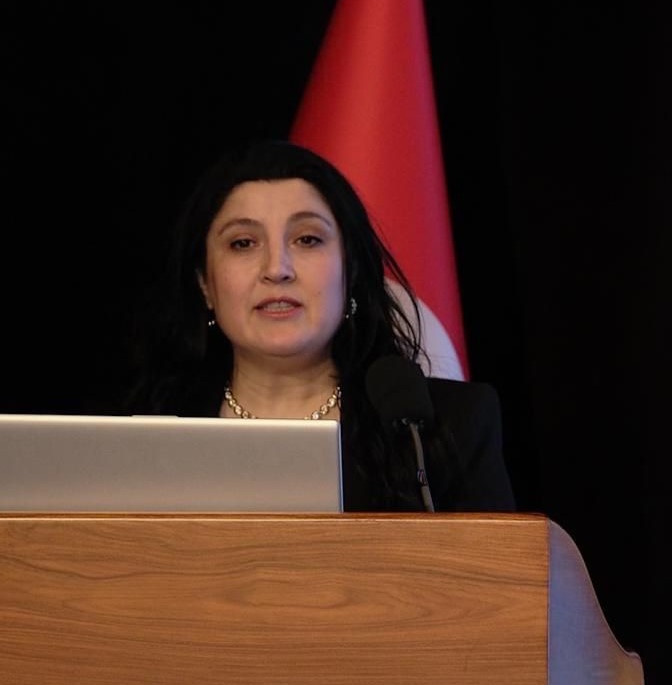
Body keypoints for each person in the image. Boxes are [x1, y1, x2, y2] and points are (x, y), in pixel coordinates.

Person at [124, 138, 516, 512]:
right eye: (243, 243)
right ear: (205, 284)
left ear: (351, 271)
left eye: (308, 239)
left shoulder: (443, 429)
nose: (277, 269)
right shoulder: (145, 436)